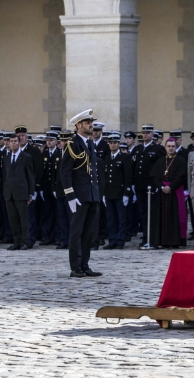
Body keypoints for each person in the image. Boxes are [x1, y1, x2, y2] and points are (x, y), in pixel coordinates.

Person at [60, 109, 102, 277]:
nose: (91, 125)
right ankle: (75, 267)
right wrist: (70, 196)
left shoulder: (90, 143)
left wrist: (96, 194)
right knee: (76, 232)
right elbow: (65, 173)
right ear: (78, 125)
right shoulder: (72, 144)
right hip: (78, 196)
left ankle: (85, 265)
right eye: (87, 123)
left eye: (91, 122)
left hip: (91, 194)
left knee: (88, 232)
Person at [149, 138, 188, 248]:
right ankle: (161, 241)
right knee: (161, 217)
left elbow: (181, 177)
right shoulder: (160, 161)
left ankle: (174, 241)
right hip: (162, 193)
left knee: (174, 217)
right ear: (165, 147)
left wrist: (170, 187)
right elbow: (155, 177)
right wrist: (162, 186)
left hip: (175, 193)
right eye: (169, 146)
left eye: (173, 146)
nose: (171, 148)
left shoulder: (180, 160)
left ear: (176, 147)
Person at [133, 124, 166, 249]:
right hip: (140, 186)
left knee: (152, 214)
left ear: (152, 135)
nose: (145, 135)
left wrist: (159, 184)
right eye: (144, 133)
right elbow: (134, 167)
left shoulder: (157, 149)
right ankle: (145, 237)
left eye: (148, 133)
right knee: (143, 213)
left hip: (152, 187)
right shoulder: (138, 149)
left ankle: (153, 238)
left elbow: (162, 167)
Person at [3, 134, 35, 251]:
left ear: (19, 142)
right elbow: (5, 176)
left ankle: (25, 241)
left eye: (15, 141)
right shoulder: (6, 158)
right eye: (11, 141)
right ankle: (16, 241)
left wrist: (31, 193)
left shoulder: (26, 157)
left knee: (23, 219)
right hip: (9, 193)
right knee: (13, 219)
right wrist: (5, 191)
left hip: (22, 192)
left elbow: (30, 176)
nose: (13, 143)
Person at [102, 133, 133, 250]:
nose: (113, 145)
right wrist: (103, 193)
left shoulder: (124, 157)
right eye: (110, 143)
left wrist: (126, 193)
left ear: (119, 144)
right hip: (109, 193)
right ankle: (112, 240)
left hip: (120, 193)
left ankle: (120, 241)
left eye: (115, 143)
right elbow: (104, 178)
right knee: (110, 219)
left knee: (121, 219)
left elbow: (128, 177)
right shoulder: (106, 158)